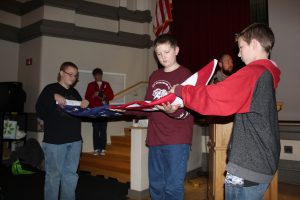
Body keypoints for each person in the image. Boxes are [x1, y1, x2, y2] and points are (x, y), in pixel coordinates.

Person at [169, 23, 281, 200]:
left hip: (248, 167)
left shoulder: (255, 72)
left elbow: (216, 97)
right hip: (256, 163)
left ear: (255, 45)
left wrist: (180, 91)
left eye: (241, 48)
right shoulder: (267, 74)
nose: (238, 54)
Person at [122, 34, 194, 200]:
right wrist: (126, 110)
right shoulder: (155, 76)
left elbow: (189, 109)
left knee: (173, 187)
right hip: (155, 138)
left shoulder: (186, 75)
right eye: (159, 53)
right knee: (156, 186)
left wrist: (172, 111)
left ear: (176, 50)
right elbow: (148, 106)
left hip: (177, 140)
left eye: (166, 52)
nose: (163, 57)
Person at [36, 61, 89, 200]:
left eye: (75, 75)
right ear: (61, 73)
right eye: (70, 74)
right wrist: (53, 96)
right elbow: (40, 111)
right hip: (55, 141)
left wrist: (85, 105)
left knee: (71, 175)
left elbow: (80, 114)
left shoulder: (75, 92)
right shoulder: (49, 89)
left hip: (75, 140)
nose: (73, 78)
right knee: (53, 176)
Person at [84, 68, 114, 156]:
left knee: (103, 129)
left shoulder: (106, 84)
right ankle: (96, 148)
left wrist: (105, 96)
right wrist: (94, 95)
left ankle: (103, 149)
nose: (98, 77)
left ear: (101, 75)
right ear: (94, 76)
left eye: (99, 75)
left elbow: (111, 96)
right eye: (96, 75)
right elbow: (86, 97)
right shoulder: (90, 85)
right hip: (94, 110)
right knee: (96, 130)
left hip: (104, 110)